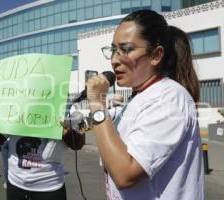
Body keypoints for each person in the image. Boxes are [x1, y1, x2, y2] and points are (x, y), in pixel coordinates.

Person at [86, 10, 204, 200]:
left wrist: (97, 105)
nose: (114, 60)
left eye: (126, 49)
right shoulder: (138, 98)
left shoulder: (169, 98)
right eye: (113, 50)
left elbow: (125, 174)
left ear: (156, 55)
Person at [0, 92, 85, 200]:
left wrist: (66, 132)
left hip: (49, 187)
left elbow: (79, 143)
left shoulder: (63, 106)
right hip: (16, 185)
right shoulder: (16, 107)